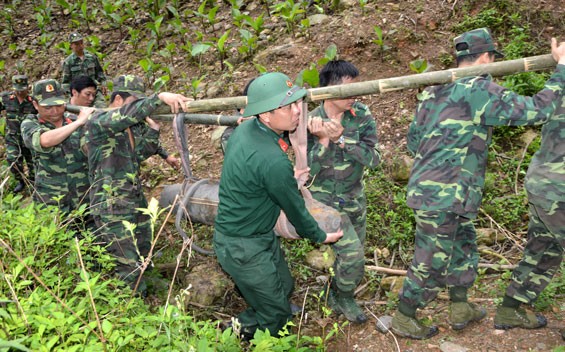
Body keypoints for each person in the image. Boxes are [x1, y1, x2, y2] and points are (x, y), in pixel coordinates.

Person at [391, 28, 565, 340]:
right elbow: (539, 110)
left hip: (439, 190)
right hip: (446, 193)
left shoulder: (434, 90)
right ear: (486, 58)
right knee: (430, 259)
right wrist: (562, 69)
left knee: (462, 246)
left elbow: (414, 141)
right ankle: (404, 317)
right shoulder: (481, 89)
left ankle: (460, 307)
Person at [213, 72, 344, 340]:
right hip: (242, 245)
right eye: (288, 106)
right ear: (266, 116)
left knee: (284, 286)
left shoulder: (249, 129)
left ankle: (254, 319)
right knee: (276, 314)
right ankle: (248, 334)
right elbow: (295, 209)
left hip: (258, 236)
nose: (298, 111)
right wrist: (321, 235)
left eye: (298, 103)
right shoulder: (271, 159)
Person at [82, 75, 188, 292]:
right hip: (110, 201)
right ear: (119, 100)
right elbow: (129, 114)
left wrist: (154, 130)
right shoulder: (100, 121)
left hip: (131, 195)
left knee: (142, 244)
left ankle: (148, 281)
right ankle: (132, 302)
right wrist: (158, 98)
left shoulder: (128, 126)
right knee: (125, 257)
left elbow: (137, 154)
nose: (139, 109)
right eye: (135, 102)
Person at [306, 59, 380, 322]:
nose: (354, 96)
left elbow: (375, 159)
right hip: (323, 203)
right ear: (329, 89)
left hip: (354, 199)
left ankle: (335, 293)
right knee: (353, 254)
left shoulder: (361, 115)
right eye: (347, 89)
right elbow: (303, 172)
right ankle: (345, 298)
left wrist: (342, 139)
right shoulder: (308, 120)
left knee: (351, 257)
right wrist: (324, 141)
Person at [493, 95, 564, 330]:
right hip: (559, 189)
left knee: (543, 250)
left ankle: (509, 310)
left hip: (543, 185)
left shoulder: (560, 90)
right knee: (543, 249)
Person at [20, 78, 93, 216]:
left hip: (84, 198)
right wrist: (79, 123)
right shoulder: (30, 123)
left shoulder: (73, 119)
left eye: (59, 105)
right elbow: (44, 140)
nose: (54, 111)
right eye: (47, 107)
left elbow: (89, 150)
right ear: (35, 104)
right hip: (52, 201)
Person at [0, 75, 37, 193]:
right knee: (13, 161)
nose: (20, 92)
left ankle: (33, 182)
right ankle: (21, 180)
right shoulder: (6, 98)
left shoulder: (33, 101)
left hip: (28, 139)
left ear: (27, 87)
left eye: (22, 89)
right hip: (13, 138)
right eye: (17, 89)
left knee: (33, 164)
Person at [61, 32, 107, 108]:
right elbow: (66, 82)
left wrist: (103, 84)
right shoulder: (68, 62)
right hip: (78, 92)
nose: (80, 46)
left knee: (102, 109)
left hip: (93, 90)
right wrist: (70, 96)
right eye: (76, 44)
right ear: (71, 45)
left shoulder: (91, 57)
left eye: (81, 43)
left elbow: (99, 72)